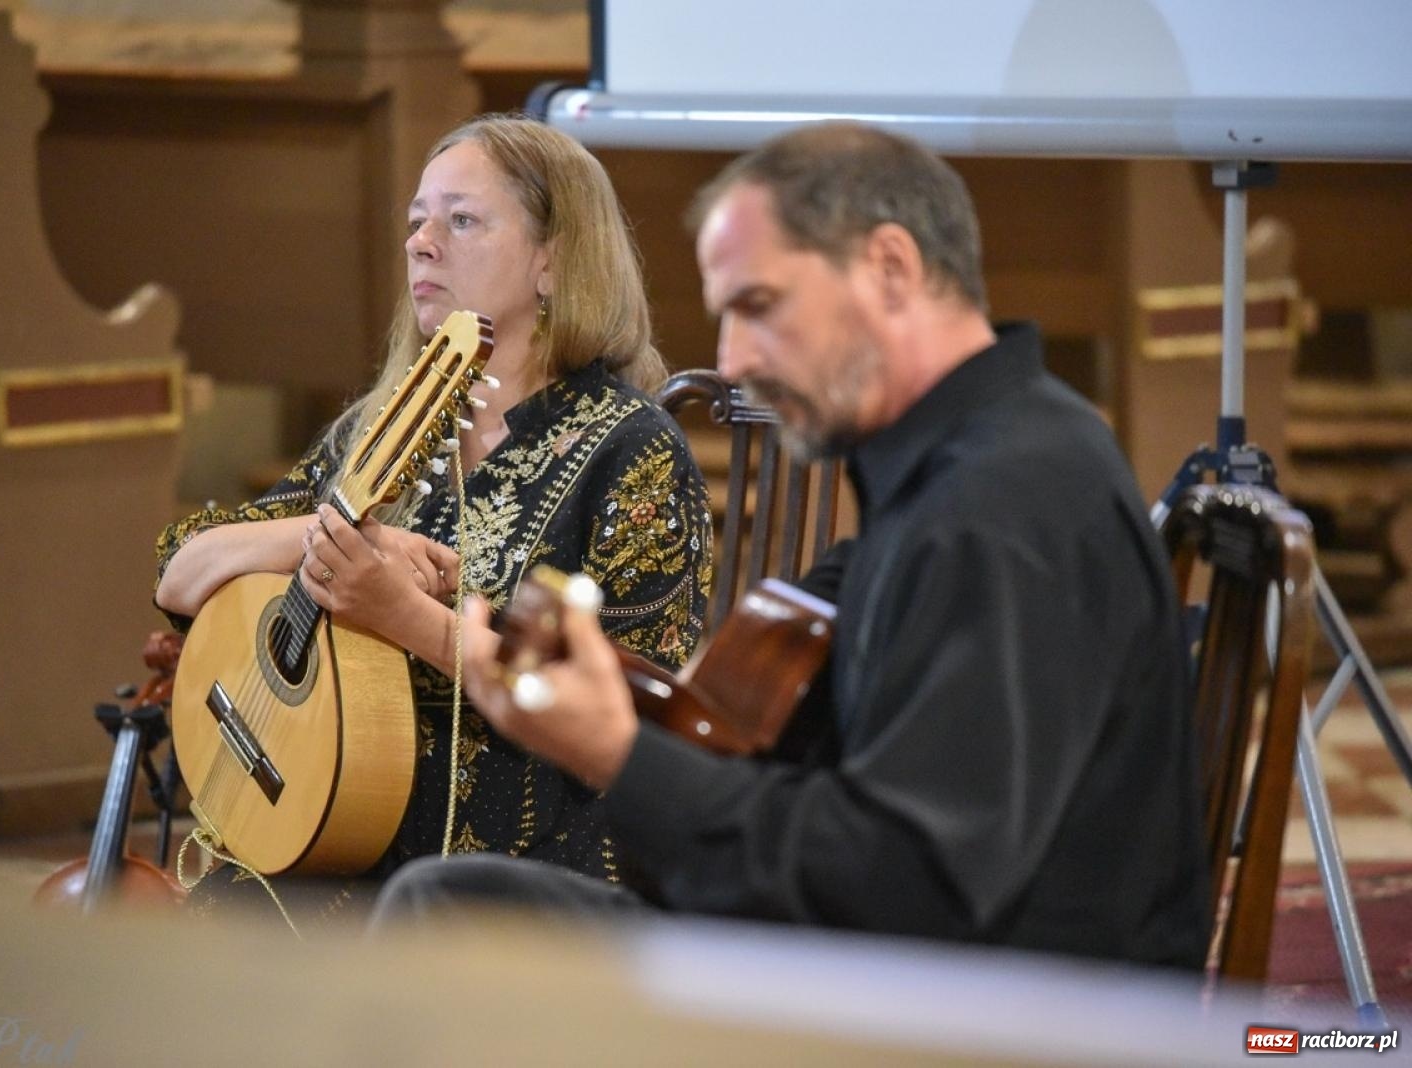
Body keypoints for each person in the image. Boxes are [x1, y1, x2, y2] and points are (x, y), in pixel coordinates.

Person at [375, 122, 1212, 970]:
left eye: (760, 307)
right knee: (451, 901)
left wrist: (618, 756)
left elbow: (914, 885)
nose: (732, 362)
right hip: (881, 950)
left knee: (446, 919)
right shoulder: (967, 458)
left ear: (891, 269)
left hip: (995, 1010)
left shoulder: (997, 510)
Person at [154, 114, 713, 925]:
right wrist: (327, 541)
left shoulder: (633, 451)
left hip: (512, 870)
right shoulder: (378, 427)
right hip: (329, 836)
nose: (421, 242)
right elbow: (181, 571)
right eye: (417, 220)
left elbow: (630, 716)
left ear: (553, 258)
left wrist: (405, 615)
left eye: (461, 220)